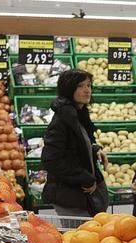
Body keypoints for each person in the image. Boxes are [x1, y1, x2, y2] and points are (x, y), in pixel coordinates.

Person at [41, 69, 109, 217]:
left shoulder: (78, 114)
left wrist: (94, 149)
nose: (87, 90)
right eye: (80, 86)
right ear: (68, 88)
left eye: (89, 85)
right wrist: (85, 178)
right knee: (79, 238)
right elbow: (51, 160)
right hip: (69, 197)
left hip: (79, 196)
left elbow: (78, 143)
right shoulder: (62, 120)